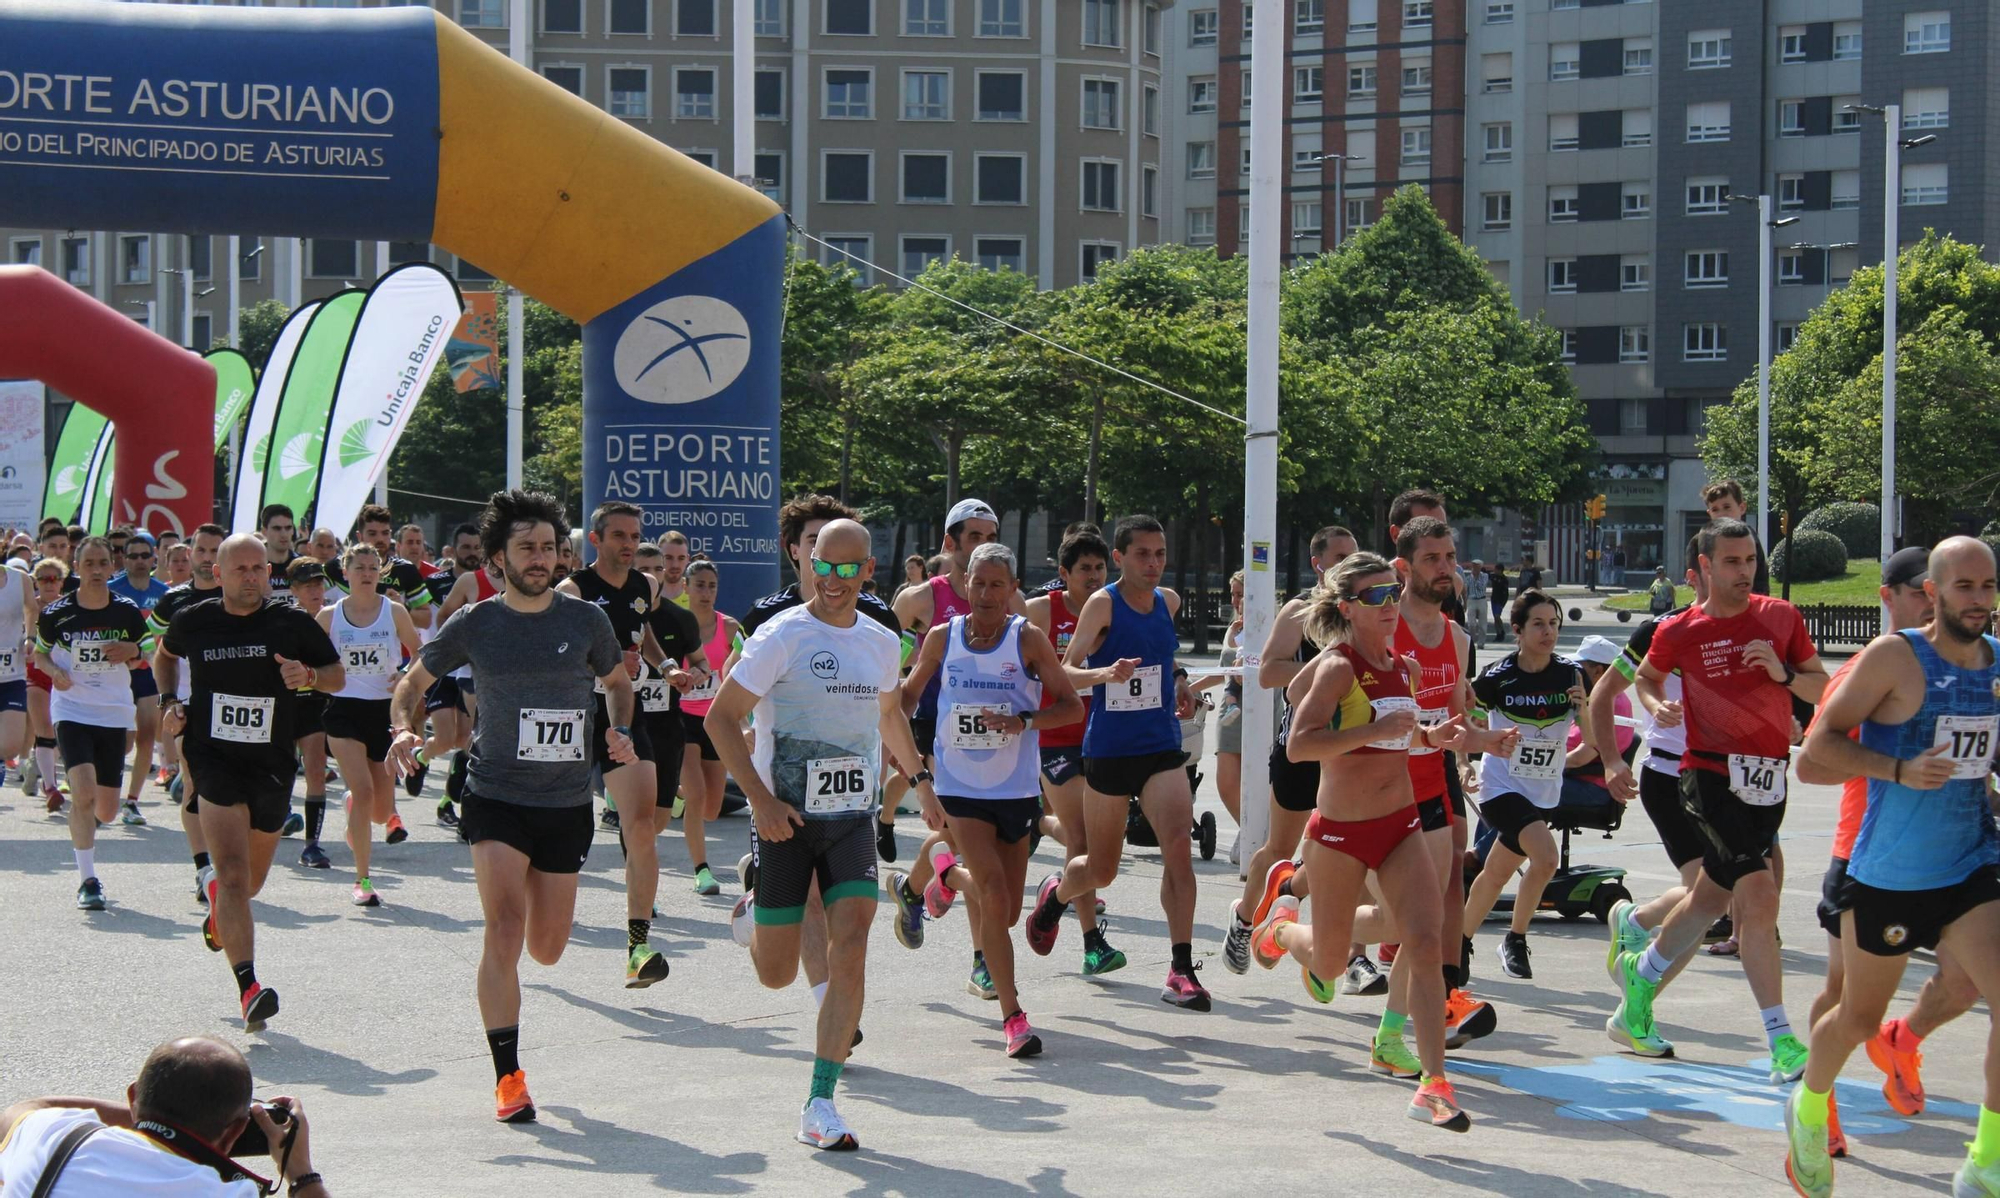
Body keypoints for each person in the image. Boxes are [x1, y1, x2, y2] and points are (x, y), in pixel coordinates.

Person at [390, 488, 633, 1123]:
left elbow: (617, 683)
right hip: (494, 794)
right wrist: (403, 729)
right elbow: (412, 683)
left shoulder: (586, 622)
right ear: (498, 558)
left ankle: (533, 949)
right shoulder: (477, 622)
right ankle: (508, 1076)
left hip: (566, 801)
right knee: (502, 929)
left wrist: (619, 729)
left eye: (548, 548)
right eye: (525, 548)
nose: (539, 558)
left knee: (547, 947)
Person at [1784, 537, 2000, 1198]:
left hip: (1973, 864)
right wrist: (1899, 769)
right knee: (1855, 1017)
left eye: (1988, 586)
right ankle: (1809, 1109)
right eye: (1964, 587)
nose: (1979, 600)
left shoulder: (1996, 664)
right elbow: (1815, 751)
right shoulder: (1893, 658)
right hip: (1890, 874)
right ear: (1931, 592)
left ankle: (1986, 1162)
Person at [711, 518, 926, 1150]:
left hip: (851, 820)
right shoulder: (782, 636)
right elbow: (722, 721)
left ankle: (820, 1102)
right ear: (808, 564)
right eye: (821, 566)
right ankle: (755, 914)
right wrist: (760, 802)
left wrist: (920, 780)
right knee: (775, 975)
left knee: (851, 943)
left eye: (845, 568)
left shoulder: (882, 642)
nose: (831, 580)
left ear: (867, 571)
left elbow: (888, 712)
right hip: (785, 822)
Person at [1249, 553, 1471, 1131]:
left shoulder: (1405, 667)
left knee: (1422, 943)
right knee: (1327, 965)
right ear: (1347, 608)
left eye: (1393, 593)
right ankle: (1281, 930)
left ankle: (1433, 1083)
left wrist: (1432, 735)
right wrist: (1371, 730)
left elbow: (1402, 734)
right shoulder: (1338, 668)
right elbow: (1300, 746)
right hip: (1340, 836)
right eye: (1376, 598)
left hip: (1400, 827)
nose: (1390, 605)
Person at [1604, 518, 1827, 1080]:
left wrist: (1781, 673)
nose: (1744, 572)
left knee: (1708, 899)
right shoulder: (1680, 629)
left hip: (1769, 777)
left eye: (1750, 560)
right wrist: (1657, 709)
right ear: (1704, 567)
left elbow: (1820, 685)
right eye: (1731, 562)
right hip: (1706, 775)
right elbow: (1647, 680)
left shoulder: (1781, 618)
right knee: (1758, 892)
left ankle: (1643, 972)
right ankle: (1782, 1039)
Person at [902, 542, 1083, 1056]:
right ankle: (1014, 1017)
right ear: (965, 583)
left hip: (1017, 789)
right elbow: (911, 695)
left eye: (996, 584)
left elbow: (1069, 707)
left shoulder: (1028, 640)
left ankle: (942, 872)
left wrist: (1023, 721)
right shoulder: (942, 637)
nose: (984, 593)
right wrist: (892, 722)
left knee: (1000, 915)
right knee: (996, 894)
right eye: (977, 583)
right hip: (959, 787)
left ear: (1012, 589)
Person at [156, 534, 342, 1031]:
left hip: (271, 764)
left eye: (259, 568)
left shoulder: (291, 622)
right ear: (218, 574)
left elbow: (336, 676)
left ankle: (222, 910)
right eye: (240, 569)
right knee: (234, 877)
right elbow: (163, 655)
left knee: (250, 885)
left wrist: (307, 677)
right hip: (212, 756)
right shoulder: (194, 621)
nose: (252, 576)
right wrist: (169, 702)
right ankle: (249, 988)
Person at [1025, 514, 1209, 1011]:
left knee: (1178, 850)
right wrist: (1106, 672)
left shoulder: (1168, 603)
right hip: (1108, 749)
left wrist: (1181, 685)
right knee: (1101, 869)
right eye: (1143, 554)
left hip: (1161, 746)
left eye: (1160, 554)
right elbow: (1066, 672)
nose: (1153, 563)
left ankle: (1180, 968)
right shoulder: (1104, 604)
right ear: (1121, 558)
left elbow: (1164, 662)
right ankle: (1057, 895)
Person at [1224, 525, 1374, 992]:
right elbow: (1267, 672)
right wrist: (1328, 667)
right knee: (1279, 850)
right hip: (1302, 750)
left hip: (1351, 755)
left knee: (1358, 853)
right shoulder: (1300, 612)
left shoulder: (1367, 615)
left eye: (1356, 557)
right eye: (1340, 558)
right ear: (1319, 565)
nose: (1350, 567)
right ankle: (1246, 919)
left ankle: (1354, 958)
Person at [557, 501, 673, 986]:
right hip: (573, 718)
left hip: (625, 716)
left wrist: (664, 667)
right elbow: (555, 659)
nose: (629, 545)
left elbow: (641, 634)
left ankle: (636, 947)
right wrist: (601, 667)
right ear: (596, 541)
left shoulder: (647, 586)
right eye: (619, 536)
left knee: (641, 824)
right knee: (562, 829)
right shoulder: (572, 592)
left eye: (634, 536)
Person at [0, 1036, 332, 1197]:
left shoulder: (55, 1137)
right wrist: (301, 1174)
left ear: (133, 1097)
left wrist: (146, 1119)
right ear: (235, 1131)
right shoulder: (225, 1195)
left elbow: (28, 1108)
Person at [1460, 590, 1587, 981]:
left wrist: (1584, 708)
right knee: (1546, 860)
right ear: (1517, 629)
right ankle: (1515, 938)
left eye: (1553, 624)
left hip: (1544, 793)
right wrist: (1464, 762)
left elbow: (1592, 742)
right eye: (1538, 624)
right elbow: (1465, 723)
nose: (1548, 632)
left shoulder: (1570, 674)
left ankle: (1458, 943)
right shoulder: (1498, 677)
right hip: (1501, 789)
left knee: (1495, 874)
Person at [1022, 527, 1127, 981]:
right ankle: (1092, 944)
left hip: (1104, 739)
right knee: (1082, 839)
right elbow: (1048, 678)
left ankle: (1054, 891)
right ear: (1064, 574)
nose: (1094, 576)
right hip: (1055, 741)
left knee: (1100, 851)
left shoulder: (1113, 611)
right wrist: (1101, 675)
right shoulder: (1041, 612)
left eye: (1100, 568)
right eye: (1084, 569)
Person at [35, 537, 150, 913]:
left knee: (107, 811)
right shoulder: (58, 613)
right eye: (89, 564)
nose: (97, 570)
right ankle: (87, 879)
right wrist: (54, 671)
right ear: (77, 568)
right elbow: (38, 653)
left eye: (103, 563)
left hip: (114, 711)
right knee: (82, 793)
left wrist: (132, 650)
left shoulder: (127, 612)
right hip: (72, 709)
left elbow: (148, 649)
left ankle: (90, 822)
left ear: (111, 566)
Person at [316, 545, 422, 908]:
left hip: (384, 713)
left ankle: (352, 808)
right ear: (345, 572)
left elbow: (419, 652)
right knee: (363, 792)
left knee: (378, 811)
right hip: (343, 711)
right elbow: (313, 664)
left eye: (372, 568)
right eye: (358, 567)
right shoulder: (329, 617)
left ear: (381, 572)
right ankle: (362, 879)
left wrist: (406, 675)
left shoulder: (394, 612)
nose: (366, 573)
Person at [151, 525, 227, 901]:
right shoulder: (173, 600)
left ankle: (224, 860)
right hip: (187, 705)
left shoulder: (241, 596)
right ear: (190, 554)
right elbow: (155, 649)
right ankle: (203, 868)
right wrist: (168, 700)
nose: (208, 557)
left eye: (216, 550)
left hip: (233, 705)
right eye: (202, 550)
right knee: (195, 782)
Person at [659, 558, 724, 893]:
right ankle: (702, 871)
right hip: (681, 716)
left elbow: (738, 674)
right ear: (685, 587)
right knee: (698, 796)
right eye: (699, 585)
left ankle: (675, 792)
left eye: (712, 586)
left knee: (711, 809)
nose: (706, 592)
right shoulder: (678, 623)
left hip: (716, 719)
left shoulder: (729, 627)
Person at [107, 531, 169, 825]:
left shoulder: (164, 593)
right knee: (122, 742)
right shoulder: (110, 590)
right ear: (124, 559)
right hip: (115, 675)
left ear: (154, 556)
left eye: (146, 555)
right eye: (133, 556)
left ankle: (131, 802)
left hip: (148, 675)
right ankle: (106, 792)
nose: (140, 561)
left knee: (146, 736)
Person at [283, 557, 337, 869]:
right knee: (282, 772)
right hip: (285, 706)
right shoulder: (284, 621)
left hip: (317, 705)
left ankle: (312, 845)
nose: (315, 590)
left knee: (316, 770)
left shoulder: (336, 616)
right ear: (294, 590)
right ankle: (277, 816)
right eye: (308, 585)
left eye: (319, 583)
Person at [1703, 479, 1771, 596]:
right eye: (1715, 509)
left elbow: (1759, 579)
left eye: (1727, 507)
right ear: (1709, 513)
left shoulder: (1747, 537)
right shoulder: (1708, 540)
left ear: (1742, 508)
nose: (1721, 514)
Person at [258, 504, 299, 597]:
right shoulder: (253, 566)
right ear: (264, 531)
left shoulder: (302, 565)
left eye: (288, 528)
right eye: (277, 528)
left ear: (293, 530)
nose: (284, 534)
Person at [655, 530, 692, 608]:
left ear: (687, 559)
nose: (675, 565)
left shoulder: (695, 593)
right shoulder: (648, 592)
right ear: (658, 558)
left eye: (681, 558)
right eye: (668, 558)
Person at [1464, 560, 1490, 648]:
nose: (1475, 568)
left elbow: (1481, 586)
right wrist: (1465, 602)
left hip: (1481, 599)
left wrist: (1476, 577)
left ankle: (1481, 643)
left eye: (1477, 566)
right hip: (1471, 600)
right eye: (1474, 566)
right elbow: (1466, 591)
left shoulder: (1484, 576)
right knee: (1471, 623)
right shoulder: (1468, 578)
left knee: (1483, 623)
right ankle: (1472, 641)